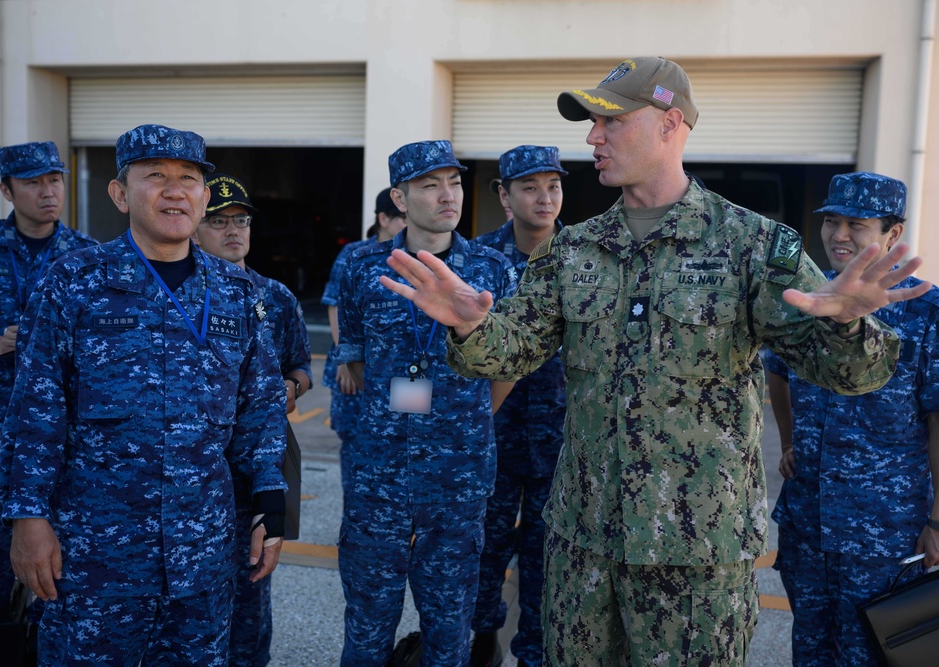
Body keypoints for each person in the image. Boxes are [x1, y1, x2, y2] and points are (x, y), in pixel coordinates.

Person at [379, 57, 930, 666]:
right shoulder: (574, 248)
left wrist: (849, 324)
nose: (592, 137)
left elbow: (848, 373)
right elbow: (513, 349)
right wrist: (473, 325)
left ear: (670, 123)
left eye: (609, 122)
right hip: (582, 550)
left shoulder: (751, 245)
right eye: (591, 123)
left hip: (695, 559)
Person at [0, 124, 289, 665]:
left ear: (205, 197)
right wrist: (27, 518)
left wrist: (270, 503)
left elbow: (261, 409)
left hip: (203, 555)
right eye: (155, 176)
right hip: (95, 555)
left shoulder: (237, 294)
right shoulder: (74, 283)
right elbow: (36, 411)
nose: (174, 190)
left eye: (189, 179)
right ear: (120, 193)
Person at [335, 140, 516, 666]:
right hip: (378, 481)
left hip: (457, 483)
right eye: (430, 184)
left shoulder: (491, 269)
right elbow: (359, 362)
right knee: (367, 628)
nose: (447, 195)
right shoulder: (361, 266)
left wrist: (467, 420)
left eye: (454, 182)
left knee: (449, 630)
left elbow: (503, 369)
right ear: (400, 194)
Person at [765, 172, 939, 666]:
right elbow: (777, 371)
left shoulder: (926, 311)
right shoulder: (808, 300)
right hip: (808, 523)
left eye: (856, 225)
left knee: (876, 651)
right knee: (811, 647)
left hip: (884, 530)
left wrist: (937, 521)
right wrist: (791, 439)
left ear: (891, 235)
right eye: (832, 222)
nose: (839, 235)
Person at [0, 141, 97, 665]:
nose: (48, 191)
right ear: (7, 191)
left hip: (64, 425)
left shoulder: (85, 253)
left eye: (54, 180)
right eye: (33, 183)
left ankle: (45, 640)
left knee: (65, 535)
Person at [192, 172, 312, 667]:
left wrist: (290, 386)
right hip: (194, 472)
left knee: (249, 598)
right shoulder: (181, 292)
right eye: (219, 222)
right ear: (197, 227)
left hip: (254, 469)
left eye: (240, 220)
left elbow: (302, 365)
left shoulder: (275, 296)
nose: (233, 231)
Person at [469, 145, 567, 667]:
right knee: (483, 550)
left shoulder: (584, 259)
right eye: (529, 187)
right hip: (494, 438)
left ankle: (536, 651)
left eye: (552, 186)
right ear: (505, 196)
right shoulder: (478, 262)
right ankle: (481, 643)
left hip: (563, 441)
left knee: (550, 559)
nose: (544, 198)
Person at [320, 187, 406, 493]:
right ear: (383, 218)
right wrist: (345, 359)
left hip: (398, 375)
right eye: (401, 218)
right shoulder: (356, 255)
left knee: (400, 446)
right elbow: (334, 305)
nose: (408, 224)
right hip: (355, 372)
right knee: (357, 444)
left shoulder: (412, 255)